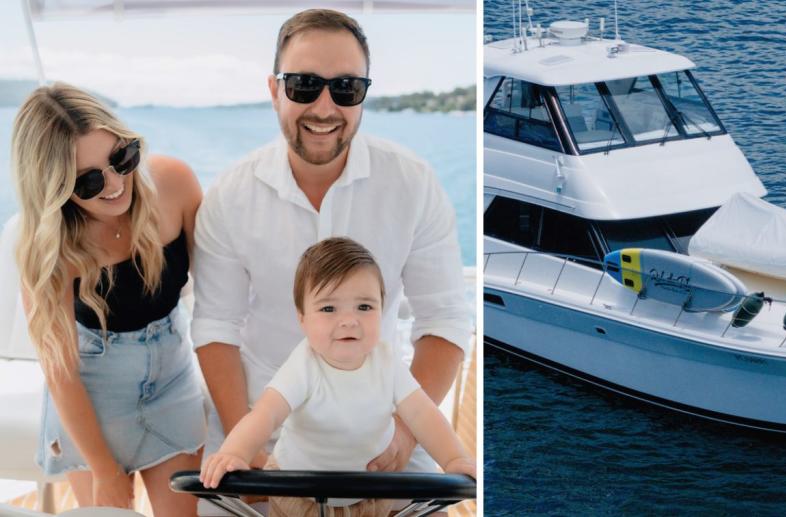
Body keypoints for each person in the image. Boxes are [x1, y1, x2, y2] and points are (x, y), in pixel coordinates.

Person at [190, 9, 473, 510]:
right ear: (275, 90)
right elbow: (216, 326)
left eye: (346, 88)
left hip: (383, 435)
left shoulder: (413, 183)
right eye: (303, 85)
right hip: (257, 429)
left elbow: (445, 319)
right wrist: (246, 444)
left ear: (364, 93)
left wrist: (405, 438)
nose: (325, 107)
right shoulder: (229, 196)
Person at [11, 83, 205, 515]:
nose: (116, 184)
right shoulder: (48, 247)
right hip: (93, 391)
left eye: (122, 158)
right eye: (89, 180)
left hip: (173, 376)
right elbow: (61, 371)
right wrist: (103, 469)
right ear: (55, 188)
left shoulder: (174, 184)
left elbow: (221, 300)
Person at [199, 238, 475, 517]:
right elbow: (265, 414)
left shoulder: (387, 361)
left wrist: (455, 459)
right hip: (298, 493)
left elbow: (422, 414)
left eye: (364, 307)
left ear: (383, 309)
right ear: (302, 318)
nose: (348, 321)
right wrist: (235, 453)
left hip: (370, 494)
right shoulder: (304, 364)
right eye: (329, 309)